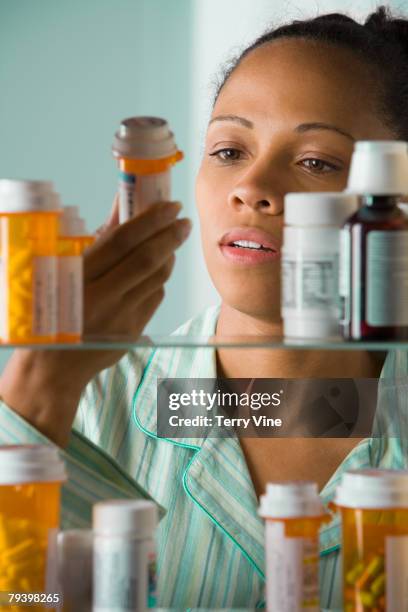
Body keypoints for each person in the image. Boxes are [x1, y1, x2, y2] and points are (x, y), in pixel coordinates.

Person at [1, 5, 408, 609]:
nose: (251, 187)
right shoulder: (84, 403)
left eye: (317, 161)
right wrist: (37, 389)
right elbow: (26, 599)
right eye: (228, 151)